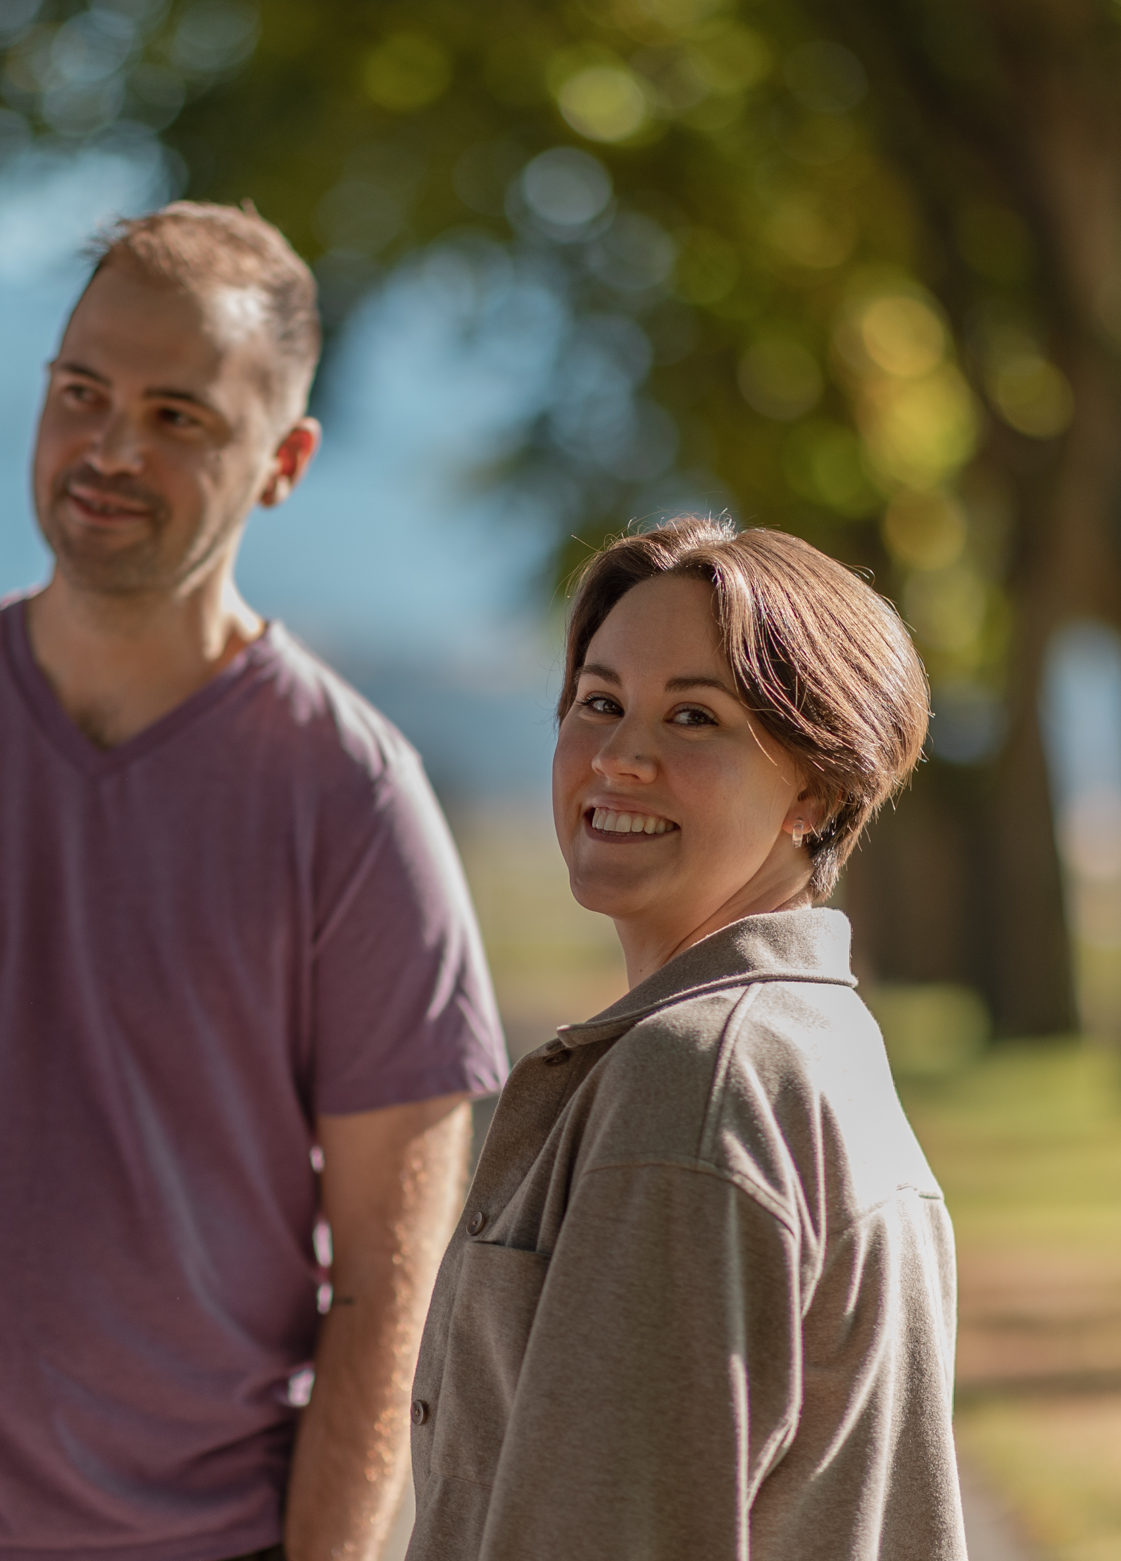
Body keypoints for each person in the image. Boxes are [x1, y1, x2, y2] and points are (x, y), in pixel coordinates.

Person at [0, 202, 508, 1561]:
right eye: (83, 392)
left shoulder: (354, 802)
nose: (113, 447)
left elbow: (391, 1278)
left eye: (181, 414)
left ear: (284, 461)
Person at [403, 516, 965, 1560]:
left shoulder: (696, 1080)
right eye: (599, 702)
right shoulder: (817, 1042)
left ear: (817, 788)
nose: (619, 755)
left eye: (694, 716)